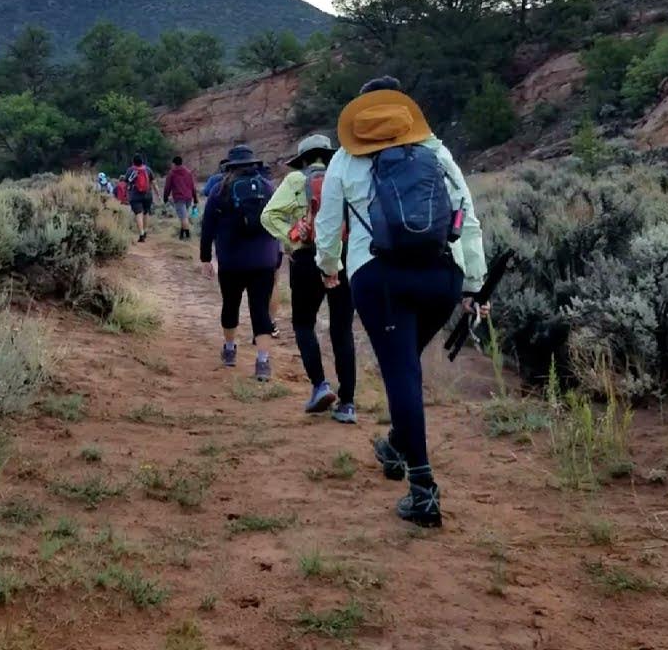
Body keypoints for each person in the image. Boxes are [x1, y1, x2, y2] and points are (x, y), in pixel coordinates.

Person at [314, 76, 488, 528]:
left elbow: (329, 223)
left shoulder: (344, 160)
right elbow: (466, 218)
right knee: (405, 364)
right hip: (441, 276)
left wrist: (328, 266)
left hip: (380, 277)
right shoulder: (436, 151)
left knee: (400, 371)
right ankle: (395, 444)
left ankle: (422, 489)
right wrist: (473, 284)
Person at [260, 134, 357, 424]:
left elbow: (268, 216)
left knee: (303, 324)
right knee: (342, 330)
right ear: (328, 156)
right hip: (343, 258)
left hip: (306, 260)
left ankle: (320, 386)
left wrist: (290, 239)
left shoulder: (294, 182)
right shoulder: (345, 176)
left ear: (301, 160)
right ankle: (348, 403)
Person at [199, 145, 279, 381]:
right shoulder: (268, 188)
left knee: (230, 304)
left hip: (231, 260)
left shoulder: (219, 190)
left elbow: (207, 227)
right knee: (260, 311)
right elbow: (277, 221)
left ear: (230, 166)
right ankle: (263, 362)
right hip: (264, 260)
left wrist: (206, 258)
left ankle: (230, 349)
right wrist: (277, 257)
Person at [162, 156, 198, 240]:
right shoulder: (188, 172)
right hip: (188, 197)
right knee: (183, 216)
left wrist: (165, 197)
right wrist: (195, 198)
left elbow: (167, 187)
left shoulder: (172, 173)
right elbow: (193, 186)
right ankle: (181, 235)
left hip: (179, 198)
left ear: (174, 164)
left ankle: (188, 236)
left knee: (184, 217)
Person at [125, 155, 155, 242]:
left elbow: (126, 181)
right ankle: (145, 231)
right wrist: (157, 194)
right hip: (148, 195)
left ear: (133, 162)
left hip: (135, 195)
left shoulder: (130, 170)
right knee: (146, 213)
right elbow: (153, 182)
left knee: (138, 214)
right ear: (142, 161)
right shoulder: (148, 169)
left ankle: (141, 234)